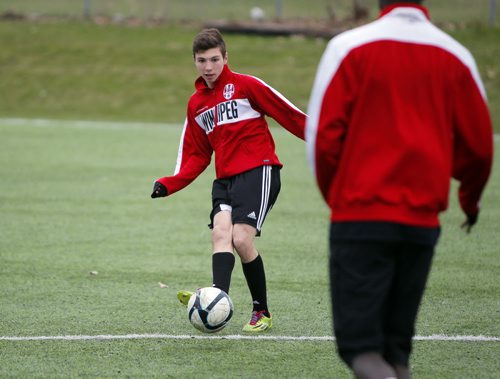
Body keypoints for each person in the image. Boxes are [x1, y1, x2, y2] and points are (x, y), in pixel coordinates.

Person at [306, 1, 493, 378]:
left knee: (361, 351)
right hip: (420, 225)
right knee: (396, 351)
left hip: (359, 217)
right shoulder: (456, 55)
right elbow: (479, 148)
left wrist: (340, 200)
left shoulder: (348, 47)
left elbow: (322, 139)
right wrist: (469, 202)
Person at [151, 28, 306, 332]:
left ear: (225, 58)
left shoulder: (246, 86)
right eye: (201, 60)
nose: (208, 67)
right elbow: (196, 154)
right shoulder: (196, 104)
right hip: (225, 180)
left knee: (241, 239)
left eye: (213, 59)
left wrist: (329, 137)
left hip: (259, 171)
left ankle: (262, 311)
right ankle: (214, 298)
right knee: (220, 235)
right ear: (194, 62)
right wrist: (169, 183)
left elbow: (289, 114)